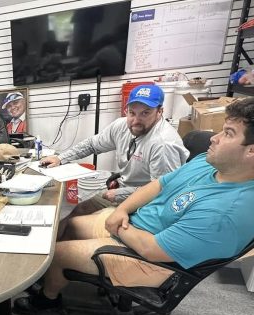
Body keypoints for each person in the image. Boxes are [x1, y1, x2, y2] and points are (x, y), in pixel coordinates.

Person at [14, 96, 254, 314]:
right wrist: (122, 211)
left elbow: (153, 250)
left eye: (228, 133)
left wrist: (118, 224)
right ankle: (57, 277)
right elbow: (159, 185)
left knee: (56, 253)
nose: (214, 137)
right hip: (135, 226)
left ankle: (47, 300)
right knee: (65, 225)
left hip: (151, 260)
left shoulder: (227, 212)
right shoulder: (210, 163)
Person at [41, 84, 188, 241]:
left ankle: (67, 249)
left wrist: (120, 194)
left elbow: (161, 192)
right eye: (132, 112)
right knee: (73, 211)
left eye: (145, 113)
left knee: (75, 225)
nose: (136, 120)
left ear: (160, 112)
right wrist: (61, 158)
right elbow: (92, 144)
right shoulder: (121, 126)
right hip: (123, 190)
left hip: (146, 205)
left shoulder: (163, 145)